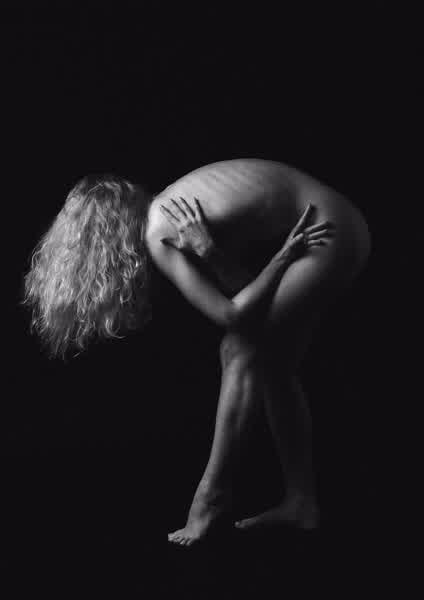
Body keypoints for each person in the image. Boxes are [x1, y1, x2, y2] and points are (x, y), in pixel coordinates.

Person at [23, 158, 372, 547]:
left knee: (238, 349)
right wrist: (211, 252)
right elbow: (246, 291)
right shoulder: (171, 209)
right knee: (274, 365)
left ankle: (211, 496)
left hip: (325, 230)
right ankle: (301, 502)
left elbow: (233, 315)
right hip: (336, 223)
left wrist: (275, 257)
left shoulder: (160, 227)